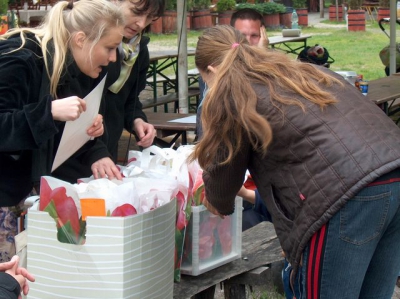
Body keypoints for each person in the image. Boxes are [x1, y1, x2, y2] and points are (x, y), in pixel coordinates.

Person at [191, 25, 400, 298]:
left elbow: (224, 167)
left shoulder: (232, 93)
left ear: (213, 70)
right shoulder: (304, 70)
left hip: (343, 196)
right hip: (393, 169)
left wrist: (216, 201)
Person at [0, 0, 125, 262]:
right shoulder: (19, 56)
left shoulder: (71, 65)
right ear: (81, 39)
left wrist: (92, 142)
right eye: (110, 48)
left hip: (28, 197)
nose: (113, 58)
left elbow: (54, 131)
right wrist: (50, 112)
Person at [52, 0, 164, 182]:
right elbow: (69, 107)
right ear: (114, 2)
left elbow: (130, 100)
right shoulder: (87, 49)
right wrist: (96, 151)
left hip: (103, 151)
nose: (142, 23)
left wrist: (137, 120)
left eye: (150, 17)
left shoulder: (138, 50)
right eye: (136, 12)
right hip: (72, 153)